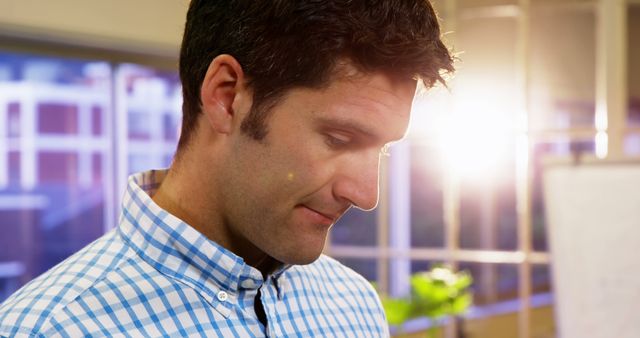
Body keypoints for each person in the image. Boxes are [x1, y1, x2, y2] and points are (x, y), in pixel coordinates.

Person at [0, 0, 453, 336]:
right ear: (227, 95)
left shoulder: (353, 305)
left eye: (384, 149)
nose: (367, 194)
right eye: (339, 139)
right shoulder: (48, 329)